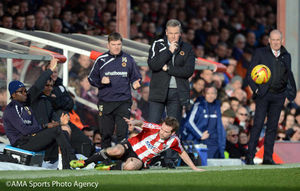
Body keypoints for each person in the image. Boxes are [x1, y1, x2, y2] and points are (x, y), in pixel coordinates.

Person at [3, 58, 76, 169]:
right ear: (13, 95)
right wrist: (45, 126)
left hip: (32, 139)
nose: (25, 93)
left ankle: (65, 164)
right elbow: (25, 130)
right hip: (21, 144)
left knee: (62, 132)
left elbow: (37, 87)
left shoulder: (26, 104)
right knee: (56, 130)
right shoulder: (11, 109)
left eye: (25, 91)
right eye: (21, 92)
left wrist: (58, 123)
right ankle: (71, 161)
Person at [70, 117, 204, 171]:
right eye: (162, 129)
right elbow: (140, 123)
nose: (162, 132)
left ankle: (110, 167)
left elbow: (182, 153)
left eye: (166, 131)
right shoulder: (155, 128)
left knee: (130, 167)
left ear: (173, 132)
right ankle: (85, 162)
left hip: (140, 158)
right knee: (115, 150)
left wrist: (194, 168)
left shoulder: (174, 141)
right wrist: (132, 123)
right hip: (130, 145)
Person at [246, 29, 297, 165]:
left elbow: (288, 75)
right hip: (263, 95)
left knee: (272, 127)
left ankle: (268, 158)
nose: (275, 42)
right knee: (257, 125)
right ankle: (249, 157)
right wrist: (256, 90)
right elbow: (250, 73)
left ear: (282, 41)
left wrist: (288, 94)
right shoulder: (260, 53)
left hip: (279, 96)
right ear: (269, 41)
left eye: (278, 40)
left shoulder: (287, 55)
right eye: (273, 40)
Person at [88, 32, 142, 149]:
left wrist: (136, 83)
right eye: (113, 44)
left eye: (119, 44)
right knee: (106, 133)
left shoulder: (128, 59)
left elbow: (136, 77)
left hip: (123, 101)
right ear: (108, 45)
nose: (116, 47)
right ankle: (105, 160)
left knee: (122, 134)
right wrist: (101, 81)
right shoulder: (101, 60)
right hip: (106, 102)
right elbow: (91, 78)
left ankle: (120, 162)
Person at [147, 19, 195, 123]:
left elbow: (188, 71)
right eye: (171, 33)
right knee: (152, 125)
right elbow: (153, 65)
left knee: (174, 127)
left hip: (177, 92)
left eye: (176, 33)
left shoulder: (187, 48)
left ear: (180, 33)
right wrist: (169, 51)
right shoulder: (157, 44)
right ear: (166, 32)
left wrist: (168, 69)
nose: (173, 36)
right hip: (158, 91)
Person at [181, 85, 226, 158]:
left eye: (213, 93)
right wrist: (200, 135)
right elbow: (189, 122)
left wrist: (221, 144)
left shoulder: (217, 106)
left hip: (215, 143)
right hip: (200, 142)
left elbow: (220, 127)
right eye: (208, 93)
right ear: (204, 94)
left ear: (216, 95)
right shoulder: (198, 105)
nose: (211, 96)